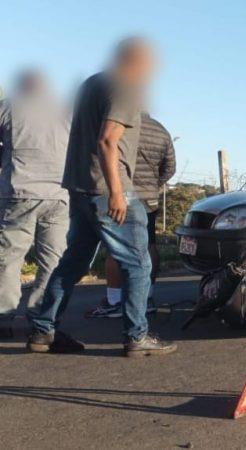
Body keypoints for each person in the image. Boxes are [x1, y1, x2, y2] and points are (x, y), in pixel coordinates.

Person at [28, 37, 177, 357]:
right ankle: (137, 336)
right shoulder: (126, 85)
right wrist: (117, 193)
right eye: (150, 63)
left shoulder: (91, 84)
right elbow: (108, 140)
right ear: (138, 61)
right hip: (107, 189)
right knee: (138, 264)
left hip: (80, 188)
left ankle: (44, 330)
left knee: (72, 263)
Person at [0, 71, 70, 338]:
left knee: (10, 257)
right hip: (59, 194)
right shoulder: (66, 110)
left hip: (19, 190)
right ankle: (42, 318)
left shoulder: (8, 106)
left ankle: (4, 316)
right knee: (53, 258)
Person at [85, 112, 175, 318]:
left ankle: (114, 300)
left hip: (121, 194)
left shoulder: (117, 124)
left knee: (115, 248)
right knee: (149, 246)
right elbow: (170, 167)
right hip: (149, 198)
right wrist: (153, 184)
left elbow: (103, 152)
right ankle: (147, 298)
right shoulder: (160, 130)